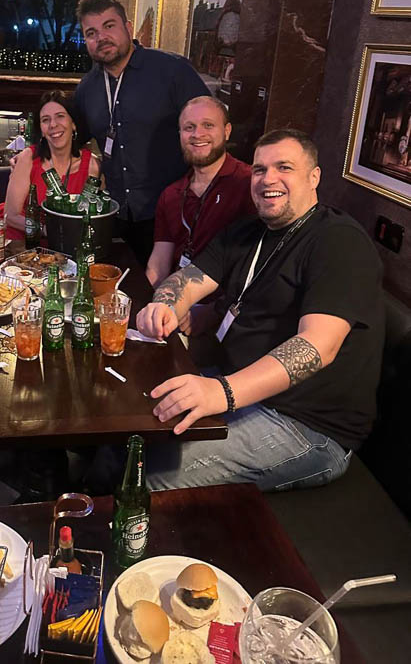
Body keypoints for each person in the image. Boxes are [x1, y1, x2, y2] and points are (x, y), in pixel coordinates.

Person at [136, 129, 384, 493]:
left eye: (284, 167)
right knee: (130, 431)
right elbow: (189, 279)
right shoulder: (247, 231)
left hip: (308, 426)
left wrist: (221, 392)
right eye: (259, 169)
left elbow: (317, 346)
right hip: (239, 386)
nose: (268, 179)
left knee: (146, 475)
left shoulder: (339, 241)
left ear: (314, 177)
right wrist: (164, 304)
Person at [73, 0, 209, 266]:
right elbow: (72, 139)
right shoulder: (87, 88)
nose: (101, 37)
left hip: (174, 214)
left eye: (109, 26)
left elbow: (209, 130)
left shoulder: (172, 71)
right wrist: (31, 154)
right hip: (116, 215)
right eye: (91, 33)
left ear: (128, 27)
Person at [146, 96, 256, 287]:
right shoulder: (171, 195)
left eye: (208, 125)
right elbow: (159, 265)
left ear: (227, 131)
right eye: (189, 127)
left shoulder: (250, 183)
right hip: (176, 296)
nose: (198, 134)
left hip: (227, 300)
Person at [2, 90, 102, 239]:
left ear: (73, 124)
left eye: (60, 116)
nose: (53, 125)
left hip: (70, 242)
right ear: (41, 130)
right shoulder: (28, 158)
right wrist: (45, 230)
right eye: (45, 120)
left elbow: (95, 218)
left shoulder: (92, 165)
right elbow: (10, 216)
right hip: (22, 237)